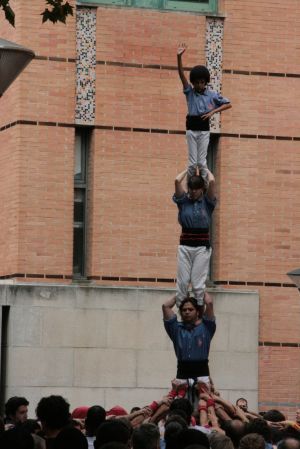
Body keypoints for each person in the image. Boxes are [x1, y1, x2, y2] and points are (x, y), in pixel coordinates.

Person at [177, 43, 231, 182]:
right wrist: (179, 57)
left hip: (204, 128)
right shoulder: (190, 92)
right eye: (196, 82)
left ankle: (206, 187)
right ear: (193, 83)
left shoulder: (211, 95)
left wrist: (212, 112)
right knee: (192, 163)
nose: (199, 85)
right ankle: (190, 189)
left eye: (202, 82)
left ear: (205, 82)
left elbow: (228, 104)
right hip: (191, 127)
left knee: (201, 163)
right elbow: (181, 75)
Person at [173, 168, 216, 307]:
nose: (192, 192)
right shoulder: (183, 201)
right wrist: (188, 169)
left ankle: (199, 313)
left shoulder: (207, 203)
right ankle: (182, 314)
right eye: (191, 189)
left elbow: (212, 181)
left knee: (198, 285)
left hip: (202, 248)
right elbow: (176, 180)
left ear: (201, 189)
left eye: (196, 189)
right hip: (185, 247)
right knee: (183, 283)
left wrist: (205, 169)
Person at [162, 292, 216, 398]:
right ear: (181, 313)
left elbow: (209, 303)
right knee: (178, 405)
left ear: (197, 312)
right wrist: (180, 294)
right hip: (182, 370)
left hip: (202, 370)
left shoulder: (206, 327)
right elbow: (165, 306)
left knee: (204, 406)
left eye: (190, 309)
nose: (187, 312)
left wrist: (199, 290)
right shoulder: (176, 329)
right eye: (184, 310)